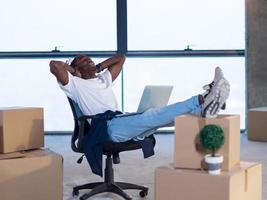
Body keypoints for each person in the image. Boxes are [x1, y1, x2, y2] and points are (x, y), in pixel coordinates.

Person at [50, 54, 230, 143]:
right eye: (85, 61)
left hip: (119, 119)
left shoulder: (102, 79)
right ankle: (203, 98)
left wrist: (97, 67)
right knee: (152, 116)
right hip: (106, 127)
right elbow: (54, 65)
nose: (90, 62)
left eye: (91, 60)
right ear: (76, 69)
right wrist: (76, 73)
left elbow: (120, 58)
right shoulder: (74, 85)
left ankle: (202, 109)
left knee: (160, 118)